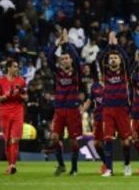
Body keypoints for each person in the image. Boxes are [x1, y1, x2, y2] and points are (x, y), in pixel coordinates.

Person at [47, 29, 83, 176]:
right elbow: (49, 58)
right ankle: (61, 165)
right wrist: (57, 44)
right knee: (54, 137)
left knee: (73, 140)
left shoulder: (76, 73)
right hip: (59, 110)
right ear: (60, 61)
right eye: (63, 59)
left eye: (67, 58)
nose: (66, 60)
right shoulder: (57, 73)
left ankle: (74, 167)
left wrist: (67, 44)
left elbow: (78, 59)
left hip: (72, 110)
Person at [98, 32, 132, 177]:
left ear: (119, 60)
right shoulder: (105, 71)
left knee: (126, 142)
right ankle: (109, 169)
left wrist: (116, 45)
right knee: (107, 138)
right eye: (111, 58)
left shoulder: (125, 72)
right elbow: (100, 59)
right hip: (108, 109)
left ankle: (127, 165)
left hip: (122, 109)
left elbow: (127, 58)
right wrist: (109, 45)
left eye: (115, 57)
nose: (112, 60)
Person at [0, 59, 27, 174]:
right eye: (15, 66)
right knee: (7, 140)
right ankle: (10, 165)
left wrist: (20, 94)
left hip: (18, 110)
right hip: (5, 112)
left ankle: (13, 165)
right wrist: (6, 95)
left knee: (15, 138)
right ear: (8, 68)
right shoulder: (0, 81)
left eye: (17, 66)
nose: (17, 68)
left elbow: (26, 97)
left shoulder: (21, 81)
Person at [80, 63, 106, 174]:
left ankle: (123, 165)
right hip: (98, 116)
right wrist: (82, 110)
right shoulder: (95, 86)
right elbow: (90, 100)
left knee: (113, 140)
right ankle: (106, 163)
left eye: (103, 72)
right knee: (97, 144)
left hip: (112, 116)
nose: (102, 75)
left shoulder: (114, 85)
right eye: (100, 73)